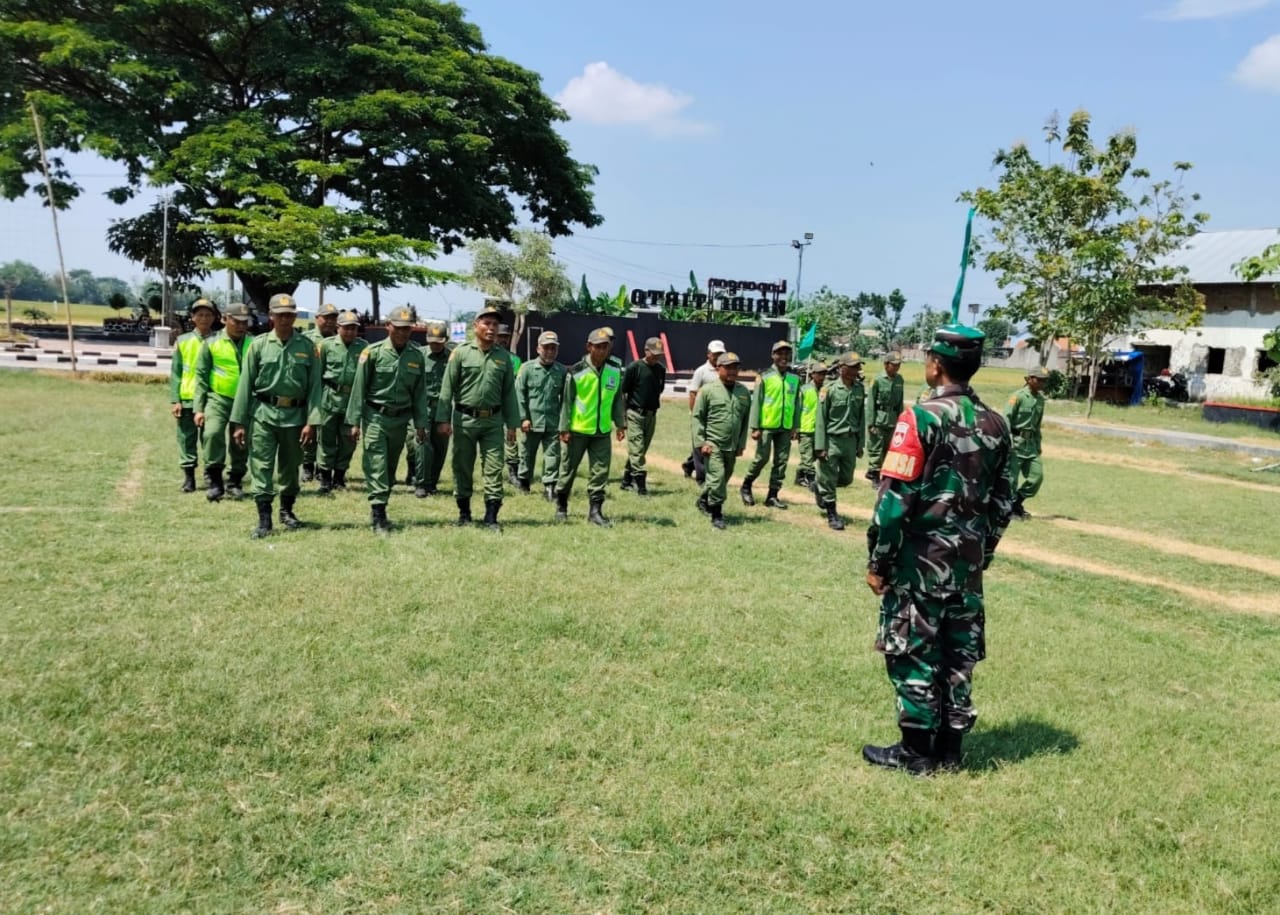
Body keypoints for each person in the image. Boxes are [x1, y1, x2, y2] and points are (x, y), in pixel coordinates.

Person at [862, 325, 1012, 775]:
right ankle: (949, 750)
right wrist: (980, 553)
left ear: (936, 365)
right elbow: (1004, 504)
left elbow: (892, 505)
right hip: (965, 569)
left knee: (912, 652)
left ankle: (915, 753)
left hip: (919, 564)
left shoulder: (920, 419)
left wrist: (879, 560)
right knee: (957, 655)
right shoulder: (996, 423)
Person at [230, 293, 322, 538]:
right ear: (271, 316)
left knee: (291, 468)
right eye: (280, 315)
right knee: (261, 466)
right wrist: (239, 422)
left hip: (295, 417)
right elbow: (245, 384)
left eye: (290, 315)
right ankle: (264, 519)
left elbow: (315, 387)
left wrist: (312, 422)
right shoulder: (258, 345)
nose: (285, 319)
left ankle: (287, 511)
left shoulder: (307, 347)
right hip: (263, 415)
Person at [344, 306, 430, 532]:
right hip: (375, 417)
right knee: (377, 463)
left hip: (400, 420)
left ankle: (381, 502)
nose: (403, 333)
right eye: (399, 328)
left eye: (407, 328)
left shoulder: (416, 356)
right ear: (388, 326)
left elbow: (420, 393)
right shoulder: (372, 353)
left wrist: (421, 424)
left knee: (390, 467)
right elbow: (359, 388)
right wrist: (353, 422)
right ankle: (378, 513)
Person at [435, 305, 520, 529]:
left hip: (493, 421)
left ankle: (491, 516)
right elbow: (447, 387)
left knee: (493, 468)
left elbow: (509, 393)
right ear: (476, 326)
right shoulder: (461, 353)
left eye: (495, 325)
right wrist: (443, 420)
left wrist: (512, 425)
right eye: (487, 324)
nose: (491, 329)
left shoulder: (504, 358)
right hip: (464, 420)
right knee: (462, 466)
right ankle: (464, 513)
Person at [554, 328, 627, 526]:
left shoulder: (614, 370)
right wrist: (564, 428)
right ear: (589, 347)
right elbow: (566, 402)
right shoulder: (577, 372)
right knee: (568, 470)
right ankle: (561, 506)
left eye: (606, 347)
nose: (603, 351)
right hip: (577, 430)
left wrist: (620, 424)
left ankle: (595, 512)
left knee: (600, 472)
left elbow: (617, 400)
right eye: (598, 347)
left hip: (601, 432)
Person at [193, 302, 253, 502]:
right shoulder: (211, 343)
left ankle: (235, 481)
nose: (241, 325)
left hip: (244, 401)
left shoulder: (254, 343)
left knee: (241, 442)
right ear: (224, 319)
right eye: (236, 321)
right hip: (218, 398)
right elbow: (200, 378)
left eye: (244, 322)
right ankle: (215, 481)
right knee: (212, 434)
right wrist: (198, 409)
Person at [691, 351, 752, 530]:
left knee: (723, 478)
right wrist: (702, 442)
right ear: (719, 369)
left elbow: (745, 419)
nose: (733, 371)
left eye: (736, 368)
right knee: (717, 479)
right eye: (728, 368)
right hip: (713, 444)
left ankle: (704, 499)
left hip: (732, 446)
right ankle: (716, 514)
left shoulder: (743, 391)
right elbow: (697, 417)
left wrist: (741, 444)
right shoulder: (708, 390)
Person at [740, 340, 800, 509]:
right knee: (761, 458)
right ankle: (746, 486)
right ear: (773, 355)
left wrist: (796, 426)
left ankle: (772, 495)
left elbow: (796, 404)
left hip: (785, 428)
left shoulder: (794, 379)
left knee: (781, 461)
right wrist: (755, 427)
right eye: (780, 353)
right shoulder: (764, 376)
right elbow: (757, 402)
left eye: (787, 353)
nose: (784, 357)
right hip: (766, 426)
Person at [313, 310, 368, 493]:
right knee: (326, 439)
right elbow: (318, 377)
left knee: (348, 441)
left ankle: (339, 477)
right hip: (329, 399)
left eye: (354, 328)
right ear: (338, 328)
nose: (350, 332)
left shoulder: (364, 347)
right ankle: (325, 478)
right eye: (346, 328)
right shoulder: (326, 346)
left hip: (351, 401)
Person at [169, 297, 218, 492]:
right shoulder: (183, 341)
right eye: (200, 315)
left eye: (208, 315)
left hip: (210, 399)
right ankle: (189, 477)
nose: (204, 319)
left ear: (214, 318)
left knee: (209, 438)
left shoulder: (219, 340)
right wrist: (176, 400)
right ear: (192, 317)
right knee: (186, 438)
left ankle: (209, 473)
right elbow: (176, 372)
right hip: (187, 398)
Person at [814, 352, 866, 531]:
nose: (856, 370)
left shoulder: (859, 389)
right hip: (832, 440)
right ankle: (832, 514)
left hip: (850, 441)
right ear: (841, 368)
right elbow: (820, 419)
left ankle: (819, 486)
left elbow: (861, 418)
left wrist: (860, 444)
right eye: (852, 367)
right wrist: (820, 446)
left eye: (857, 367)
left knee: (846, 478)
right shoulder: (829, 389)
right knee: (829, 477)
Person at [515, 330, 566, 500]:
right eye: (546, 348)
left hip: (553, 422)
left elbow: (566, 399)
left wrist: (563, 422)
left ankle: (549, 486)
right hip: (531, 421)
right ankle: (524, 481)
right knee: (527, 454)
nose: (550, 351)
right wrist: (523, 418)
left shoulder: (561, 371)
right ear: (538, 348)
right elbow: (519, 395)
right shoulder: (527, 368)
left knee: (553, 455)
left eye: (553, 348)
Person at [619, 337, 667, 495]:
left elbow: (659, 390)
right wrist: (623, 417)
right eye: (653, 353)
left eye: (659, 354)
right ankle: (641, 487)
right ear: (645, 351)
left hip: (651, 415)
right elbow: (623, 392)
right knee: (637, 450)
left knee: (639, 450)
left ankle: (626, 480)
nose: (656, 357)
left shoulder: (660, 369)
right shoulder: (634, 367)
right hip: (635, 413)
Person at [411, 320, 453, 498]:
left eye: (439, 342)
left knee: (440, 447)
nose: (435, 345)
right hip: (423, 409)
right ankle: (421, 483)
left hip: (443, 410)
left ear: (446, 340)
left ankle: (432, 482)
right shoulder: (419, 356)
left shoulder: (453, 358)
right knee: (422, 445)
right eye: (432, 341)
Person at [300, 302, 340, 482]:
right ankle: (307, 466)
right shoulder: (306, 339)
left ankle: (321, 467)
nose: (330, 322)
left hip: (330, 393)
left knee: (327, 434)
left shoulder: (338, 341)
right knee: (311, 429)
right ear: (317, 319)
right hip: (310, 390)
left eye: (333, 318)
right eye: (327, 318)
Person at [1005, 367, 1048, 519]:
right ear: (1029, 379)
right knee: (1011, 480)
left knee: (1037, 477)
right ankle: (1009, 509)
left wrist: (1038, 444)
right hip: (1016, 444)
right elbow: (1006, 419)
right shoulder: (1018, 396)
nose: (1043, 383)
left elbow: (1037, 425)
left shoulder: (1041, 400)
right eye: (1039, 379)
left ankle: (1017, 502)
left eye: (1044, 380)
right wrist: (1008, 441)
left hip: (1031, 446)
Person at [682, 340, 725, 482]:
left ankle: (689, 465)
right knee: (700, 445)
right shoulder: (702, 371)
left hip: (717, 416)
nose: (718, 357)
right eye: (715, 354)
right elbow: (693, 393)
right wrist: (695, 414)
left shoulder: (724, 370)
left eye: (720, 354)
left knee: (710, 445)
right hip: (702, 415)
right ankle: (702, 478)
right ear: (708, 354)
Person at [865, 351, 905, 486]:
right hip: (879, 419)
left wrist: (901, 421)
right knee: (876, 448)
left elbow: (900, 403)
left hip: (893, 420)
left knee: (889, 449)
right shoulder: (877, 380)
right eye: (894, 365)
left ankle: (885, 476)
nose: (896, 367)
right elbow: (870, 403)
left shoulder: (899, 380)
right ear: (886, 364)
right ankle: (874, 474)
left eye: (898, 365)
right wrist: (870, 423)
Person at [497, 323, 524, 484]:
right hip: (492, 404)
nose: (503, 340)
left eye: (505, 337)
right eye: (500, 336)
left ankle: (513, 472)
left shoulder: (515, 360)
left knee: (511, 439)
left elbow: (516, 382)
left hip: (509, 405)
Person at [795, 360, 828, 489]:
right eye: (819, 374)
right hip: (805, 428)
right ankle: (811, 479)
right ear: (813, 374)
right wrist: (796, 427)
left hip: (819, 430)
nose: (822, 377)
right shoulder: (804, 390)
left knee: (813, 456)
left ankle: (800, 476)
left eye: (824, 374)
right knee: (807, 456)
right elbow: (797, 409)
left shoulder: (826, 390)